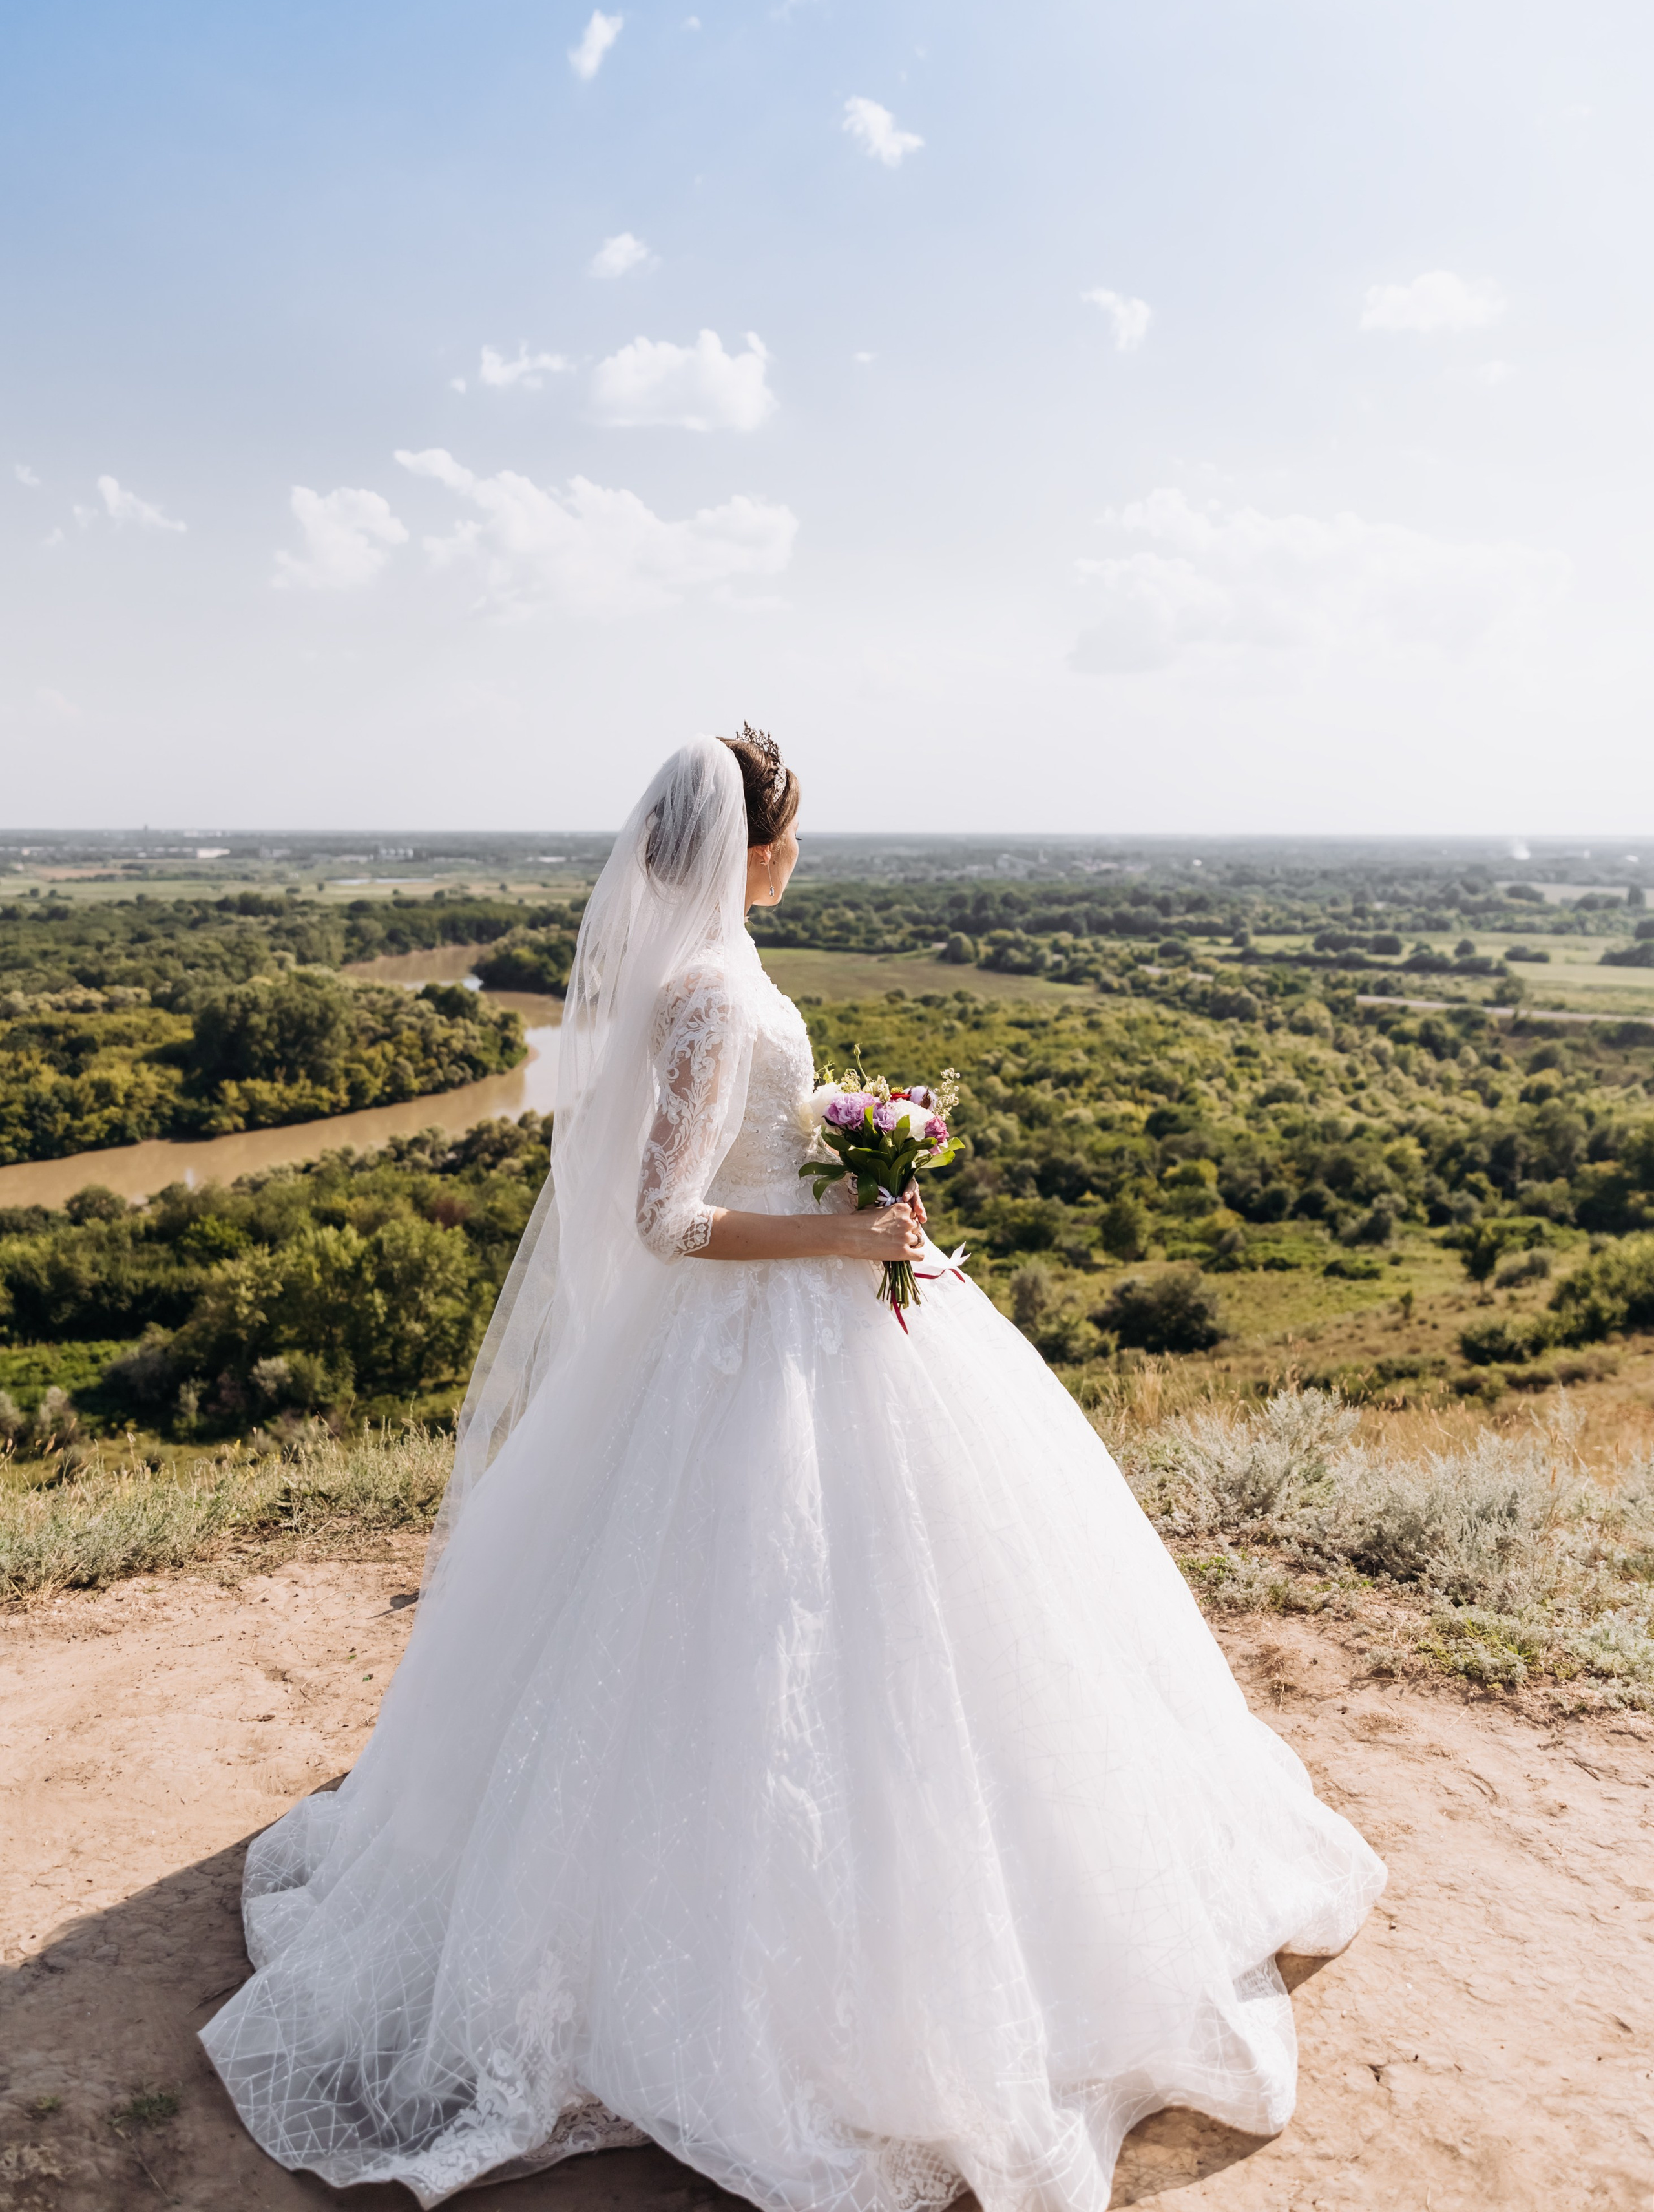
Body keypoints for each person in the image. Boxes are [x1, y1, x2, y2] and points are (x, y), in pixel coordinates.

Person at [202, 730, 1384, 2211]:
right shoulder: (707, 989)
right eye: (793, 832)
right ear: (750, 844)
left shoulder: (719, 974)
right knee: (752, 1631)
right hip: (753, 1334)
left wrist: (843, 1170)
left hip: (813, 1311)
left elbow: (740, 1159)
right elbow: (667, 1217)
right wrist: (842, 1232)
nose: (802, 852)